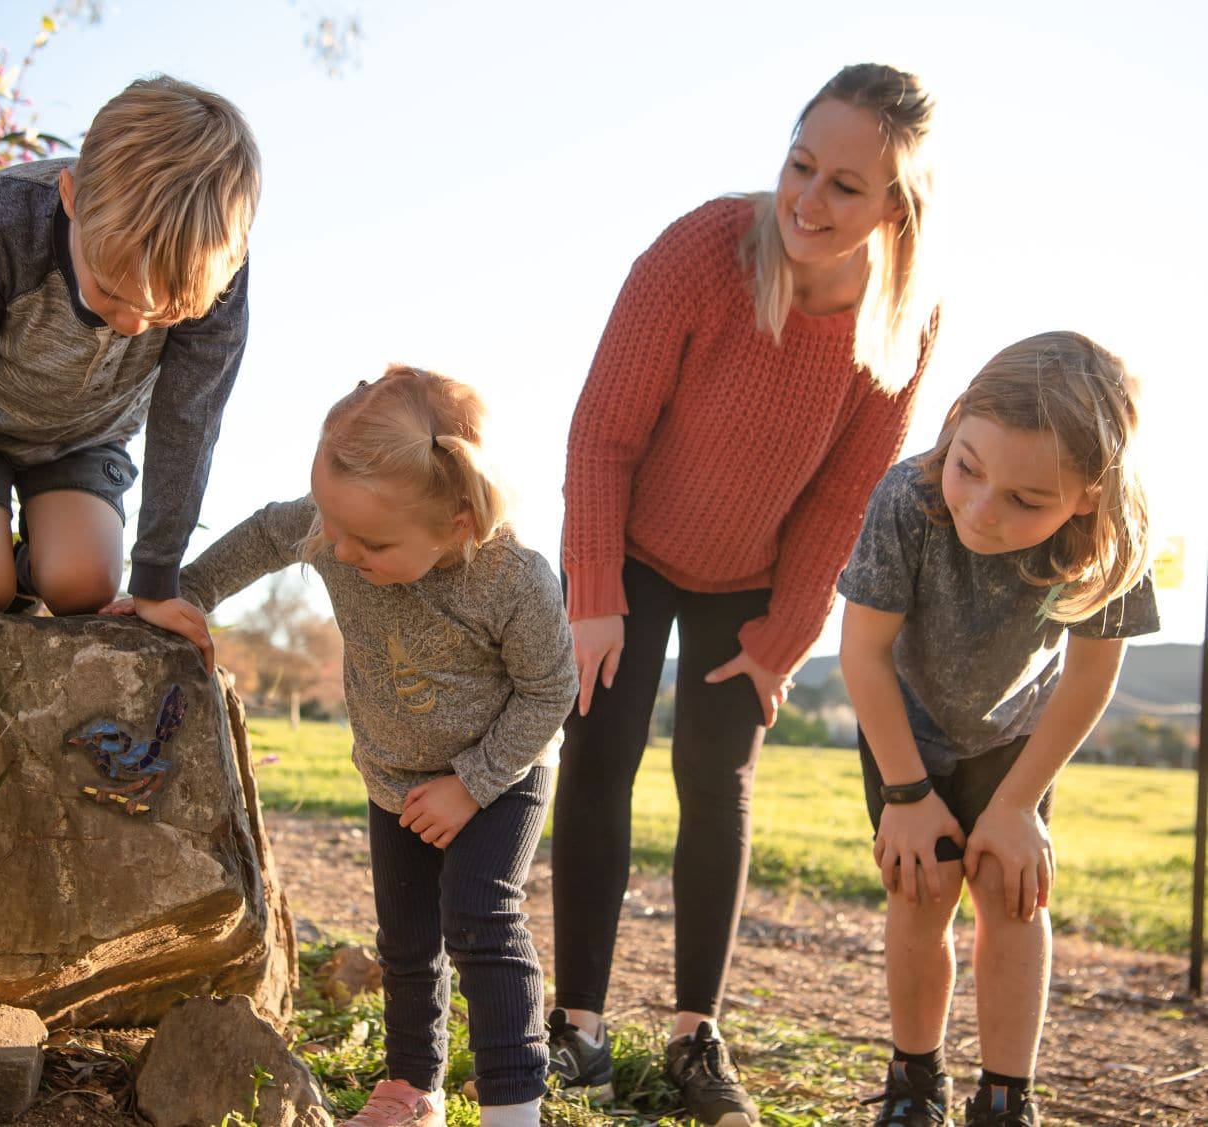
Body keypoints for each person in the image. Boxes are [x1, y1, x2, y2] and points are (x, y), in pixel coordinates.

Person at [548, 63, 940, 1125]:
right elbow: (604, 433)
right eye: (800, 165)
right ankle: (575, 1027)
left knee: (714, 777)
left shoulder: (904, 321)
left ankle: (693, 1035)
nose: (808, 202)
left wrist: (785, 635)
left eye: (846, 188)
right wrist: (592, 587)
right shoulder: (703, 253)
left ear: (896, 206)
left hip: (753, 575)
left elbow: (843, 496)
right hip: (626, 546)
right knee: (601, 749)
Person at [107, 366, 577, 1127]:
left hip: (500, 768)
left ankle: (512, 1105)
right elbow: (266, 532)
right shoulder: (339, 529)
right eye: (331, 525)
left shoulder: (513, 578)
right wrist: (183, 591)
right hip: (393, 772)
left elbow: (552, 692)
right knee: (406, 934)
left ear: (456, 522)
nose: (340, 549)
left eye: (372, 542)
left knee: (479, 915)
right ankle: (411, 1087)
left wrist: (474, 782)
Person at [839, 331, 1157, 1127]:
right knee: (923, 885)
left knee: (1014, 897)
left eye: (1026, 500)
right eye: (968, 468)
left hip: (1018, 734)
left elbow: (1090, 674)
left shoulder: (1113, 542)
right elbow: (864, 654)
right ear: (955, 426)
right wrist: (908, 794)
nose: (981, 509)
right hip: (903, 726)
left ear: (1088, 494)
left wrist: (1018, 806)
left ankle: (1006, 1098)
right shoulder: (907, 499)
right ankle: (916, 1083)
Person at [0, 75, 260, 669]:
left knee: (83, 587)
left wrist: (157, 580)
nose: (136, 327)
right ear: (70, 198)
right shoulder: (0, 223)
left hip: (85, 439)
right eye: (114, 295)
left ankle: (17, 551)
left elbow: (188, 421)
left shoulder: (213, 268)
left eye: (166, 314)